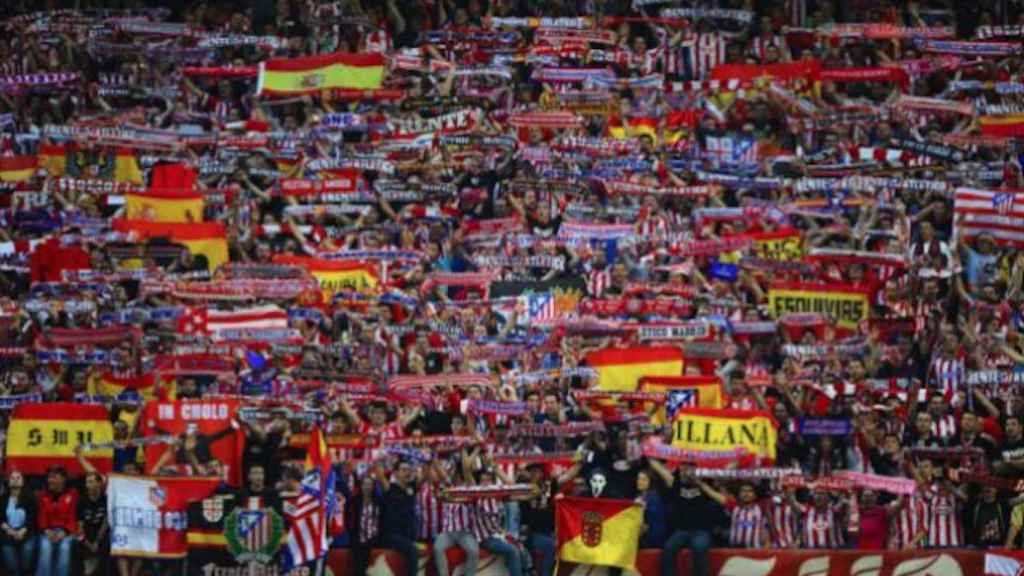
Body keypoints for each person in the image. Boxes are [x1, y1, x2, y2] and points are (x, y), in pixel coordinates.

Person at [35, 466, 77, 576]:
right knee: (45, 548)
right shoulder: (43, 495)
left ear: (63, 479)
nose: (50, 480)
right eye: (49, 477)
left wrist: (65, 532)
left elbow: (73, 517)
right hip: (48, 531)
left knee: (64, 548)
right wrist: (47, 531)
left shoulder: (72, 494)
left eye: (54, 477)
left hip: (66, 532)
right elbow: (41, 516)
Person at [0, 470, 36, 576]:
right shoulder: (3, 498)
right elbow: (1, 519)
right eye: (12, 478)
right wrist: (10, 530)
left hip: (27, 532)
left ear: (23, 481)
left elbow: (32, 518)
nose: (15, 480)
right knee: (8, 551)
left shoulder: (30, 498)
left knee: (28, 550)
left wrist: (22, 531)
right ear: (8, 481)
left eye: (18, 478)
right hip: (7, 532)